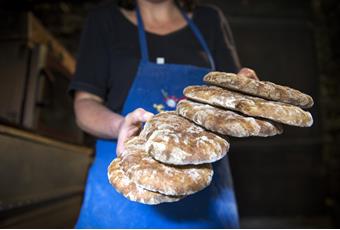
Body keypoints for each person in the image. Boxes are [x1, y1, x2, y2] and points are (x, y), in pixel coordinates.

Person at [69, 0, 258, 228]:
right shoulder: (104, 20)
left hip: (204, 190)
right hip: (123, 195)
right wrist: (120, 126)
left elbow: (227, 97)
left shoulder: (209, 20)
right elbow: (86, 103)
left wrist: (243, 96)